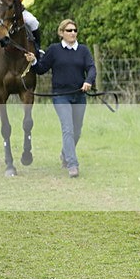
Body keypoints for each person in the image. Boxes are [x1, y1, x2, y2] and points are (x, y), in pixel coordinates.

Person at [24, 19, 95, 178]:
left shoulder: (83, 50)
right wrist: (33, 61)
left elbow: (91, 68)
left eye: (75, 30)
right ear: (61, 33)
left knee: (77, 131)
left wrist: (88, 81)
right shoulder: (54, 50)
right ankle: (72, 164)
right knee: (67, 128)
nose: (73, 33)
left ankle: (65, 153)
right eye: (69, 30)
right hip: (61, 96)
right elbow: (41, 69)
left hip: (79, 95)